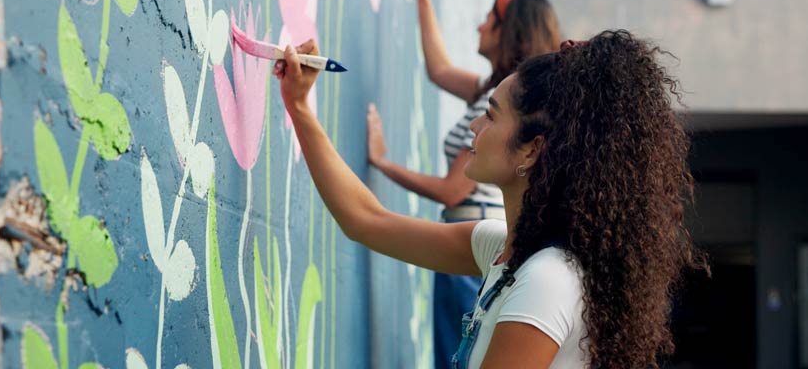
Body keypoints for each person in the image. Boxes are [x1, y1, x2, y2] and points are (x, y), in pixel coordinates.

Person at [274, 30, 705, 368]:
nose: (475, 127)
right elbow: (366, 221)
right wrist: (299, 107)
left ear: (531, 150)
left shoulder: (547, 280)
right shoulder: (505, 252)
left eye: (492, 114)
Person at [366, 0, 561, 366]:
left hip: (476, 236)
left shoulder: (499, 102)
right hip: (479, 236)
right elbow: (438, 69)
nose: (480, 24)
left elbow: (452, 190)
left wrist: (383, 164)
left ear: (512, 31)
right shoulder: (495, 94)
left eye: (491, 17)